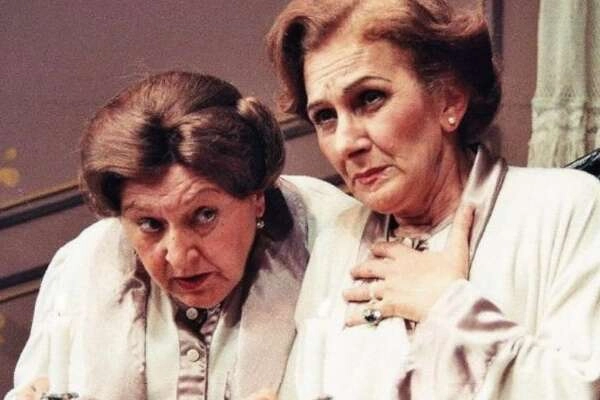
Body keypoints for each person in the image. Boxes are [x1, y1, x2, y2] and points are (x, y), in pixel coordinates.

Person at [267, 0, 600, 398]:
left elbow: (579, 389)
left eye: (370, 98)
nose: (344, 144)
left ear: (450, 100)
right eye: (325, 116)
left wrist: (449, 308)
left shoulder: (568, 207)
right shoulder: (340, 238)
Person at [5, 71, 356, 400]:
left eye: (204, 216)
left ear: (257, 197)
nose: (178, 257)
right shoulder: (80, 269)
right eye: (150, 224)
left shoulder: (340, 244)